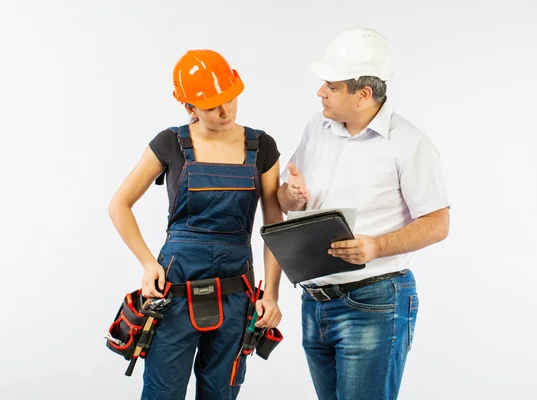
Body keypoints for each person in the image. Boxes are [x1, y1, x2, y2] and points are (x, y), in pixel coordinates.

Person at [277, 28, 451, 400]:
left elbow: (438, 223)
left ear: (364, 94)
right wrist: (290, 195)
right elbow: (285, 199)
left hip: (373, 302)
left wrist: (376, 246)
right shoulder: (316, 129)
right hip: (315, 302)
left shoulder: (409, 144)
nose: (320, 91)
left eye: (331, 85)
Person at [108, 49, 283, 400]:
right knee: (163, 391)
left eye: (230, 99)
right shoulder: (170, 143)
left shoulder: (261, 146)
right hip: (174, 289)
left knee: (222, 392)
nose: (226, 111)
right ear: (188, 107)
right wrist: (147, 262)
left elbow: (274, 226)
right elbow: (119, 205)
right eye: (212, 106)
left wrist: (272, 294)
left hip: (237, 289)